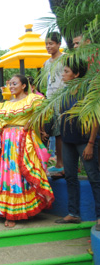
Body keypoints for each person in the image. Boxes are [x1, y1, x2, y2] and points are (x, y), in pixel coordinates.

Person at [0, 74, 54, 228]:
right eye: (10, 84)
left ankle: (21, 210)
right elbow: (3, 123)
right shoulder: (6, 104)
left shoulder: (33, 99)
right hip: (7, 141)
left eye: (14, 84)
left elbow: (44, 113)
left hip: (23, 139)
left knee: (21, 173)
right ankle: (9, 211)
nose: (11, 87)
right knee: (8, 174)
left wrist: (31, 122)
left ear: (24, 85)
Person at [54, 58, 100, 230]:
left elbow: (95, 119)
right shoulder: (64, 93)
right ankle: (73, 214)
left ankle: (99, 216)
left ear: (77, 74)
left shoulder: (88, 93)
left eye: (66, 72)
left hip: (84, 140)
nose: (63, 75)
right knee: (70, 177)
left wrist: (90, 143)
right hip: (68, 140)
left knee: (94, 177)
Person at [44, 32, 65, 177]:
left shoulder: (66, 59)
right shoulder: (46, 63)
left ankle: (61, 164)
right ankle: (43, 163)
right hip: (49, 100)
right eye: (47, 44)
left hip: (63, 99)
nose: (48, 46)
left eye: (51, 43)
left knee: (60, 134)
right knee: (46, 132)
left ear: (59, 44)